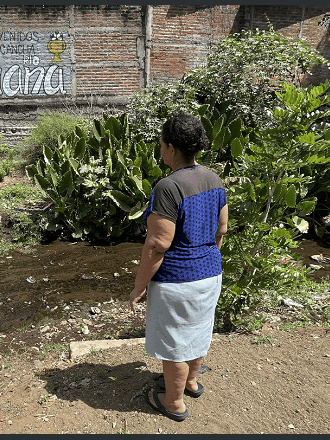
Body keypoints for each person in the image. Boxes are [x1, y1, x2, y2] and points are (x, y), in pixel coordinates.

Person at [130, 111, 228, 422]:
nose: (160, 150)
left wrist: (139, 286)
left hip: (178, 281)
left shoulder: (168, 187)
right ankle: (191, 383)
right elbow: (221, 229)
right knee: (198, 332)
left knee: (174, 343)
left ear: (171, 148)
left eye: (161, 144)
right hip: (211, 273)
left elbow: (158, 243)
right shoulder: (214, 179)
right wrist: (207, 261)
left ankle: (173, 403)